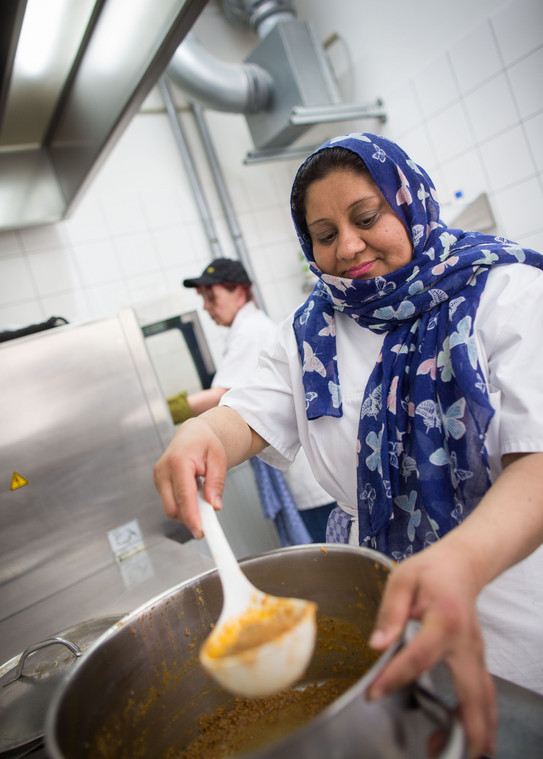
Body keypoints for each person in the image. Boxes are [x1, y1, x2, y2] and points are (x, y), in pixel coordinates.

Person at [153, 133, 543, 757]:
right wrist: (201, 431)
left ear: (410, 202)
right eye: (324, 234)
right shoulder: (311, 332)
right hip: (382, 608)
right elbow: (245, 416)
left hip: (509, 598)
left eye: (367, 218)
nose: (348, 247)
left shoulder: (507, 293)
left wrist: (463, 560)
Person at [167, 257, 337, 543]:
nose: (207, 307)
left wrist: (166, 410)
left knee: (331, 557)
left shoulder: (250, 330)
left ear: (240, 292)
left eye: (212, 297)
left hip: (312, 480)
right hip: (308, 472)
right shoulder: (248, 329)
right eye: (204, 299)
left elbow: (221, 394)